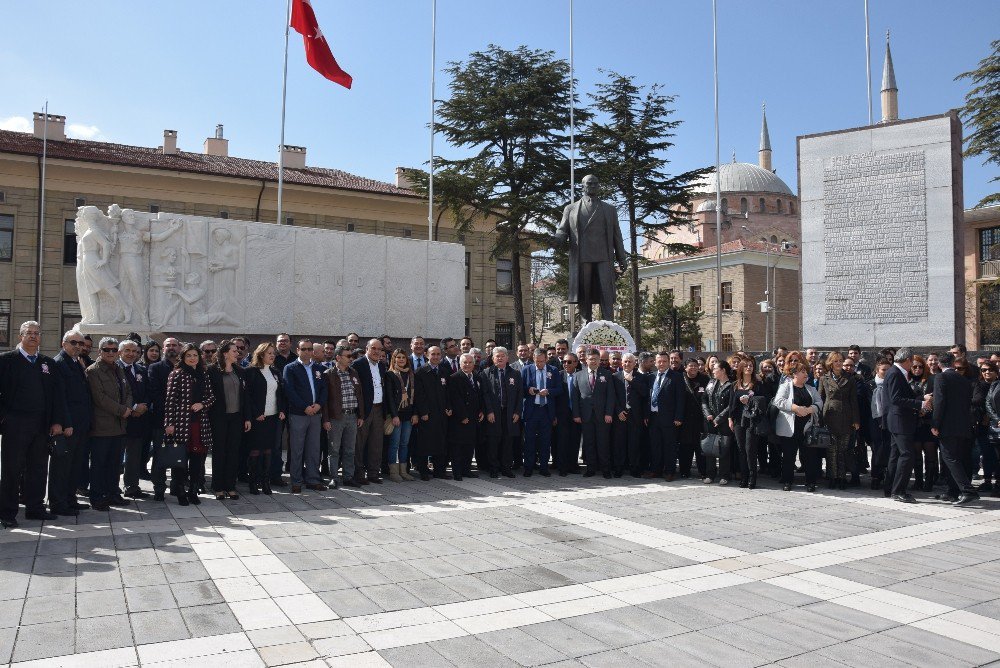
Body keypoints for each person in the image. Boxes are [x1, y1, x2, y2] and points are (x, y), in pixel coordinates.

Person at [0, 322, 65, 527]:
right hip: (15, 425)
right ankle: (7, 513)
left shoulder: (47, 363)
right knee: (12, 470)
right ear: (20, 336)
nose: (33, 336)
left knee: (38, 469)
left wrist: (57, 421)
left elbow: (56, 396)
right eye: (29, 333)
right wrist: (5, 419)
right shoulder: (6, 360)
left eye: (37, 333)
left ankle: (35, 508)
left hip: (41, 426)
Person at [553, 174, 628, 322]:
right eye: (590, 184)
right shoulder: (571, 209)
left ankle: (609, 323)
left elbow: (617, 236)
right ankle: (585, 324)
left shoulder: (609, 209)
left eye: (596, 183)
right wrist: (557, 239)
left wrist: (621, 257)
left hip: (604, 256)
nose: (593, 186)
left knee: (606, 292)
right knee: (584, 292)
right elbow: (562, 229)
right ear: (583, 186)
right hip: (582, 256)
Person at [162, 344, 215, 506]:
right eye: (189, 356)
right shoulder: (176, 374)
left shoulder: (203, 374)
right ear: (183, 358)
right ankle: (180, 492)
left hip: (200, 423)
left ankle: (193, 491)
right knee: (180, 461)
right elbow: (170, 401)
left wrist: (202, 404)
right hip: (181, 423)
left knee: (197, 460)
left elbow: (211, 397)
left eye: (195, 355)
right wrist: (169, 423)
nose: (192, 358)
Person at [85, 337, 133, 511]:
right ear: (100, 351)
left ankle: (113, 493)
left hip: (120, 426)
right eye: (107, 350)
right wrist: (122, 410)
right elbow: (100, 398)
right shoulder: (93, 371)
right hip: (102, 427)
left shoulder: (119, 369)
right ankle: (97, 497)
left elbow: (127, 390)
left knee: (115, 464)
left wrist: (128, 407)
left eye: (114, 350)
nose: (111, 353)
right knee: (99, 464)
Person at [50, 330, 91, 516]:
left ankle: (70, 499)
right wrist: (64, 423)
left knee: (75, 465)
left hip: (81, 424)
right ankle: (58, 503)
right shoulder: (59, 363)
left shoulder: (76, 362)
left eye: (80, 344)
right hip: (68, 425)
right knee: (62, 467)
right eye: (73, 342)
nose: (77, 346)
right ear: (63, 343)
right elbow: (59, 398)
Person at [932, 352, 979, 505]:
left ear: (939, 364)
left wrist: (935, 424)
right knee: (955, 458)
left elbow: (939, 403)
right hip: (963, 425)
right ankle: (952, 491)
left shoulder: (941, 377)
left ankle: (967, 490)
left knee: (949, 458)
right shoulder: (963, 379)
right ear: (953, 364)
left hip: (947, 426)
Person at [283, 338, 329, 493]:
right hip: (298, 414)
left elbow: (324, 390)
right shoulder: (290, 368)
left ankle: (313, 479)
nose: (307, 352)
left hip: (316, 414)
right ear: (298, 350)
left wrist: (318, 405)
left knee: (314, 449)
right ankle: (296, 481)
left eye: (310, 349)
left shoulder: (319, 368)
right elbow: (289, 390)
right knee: (297, 449)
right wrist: (304, 407)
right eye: (304, 349)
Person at [207, 340, 251, 500]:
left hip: (236, 418)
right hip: (219, 418)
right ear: (225, 353)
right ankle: (218, 486)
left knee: (233, 452)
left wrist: (247, 417)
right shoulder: (212, 371)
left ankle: (230, 486)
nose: (237, 353)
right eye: (234, 350)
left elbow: (245, 397)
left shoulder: (240, 371)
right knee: (219, 452)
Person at [883, 348, 927, 503]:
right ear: (907, 360)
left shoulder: (895, 372)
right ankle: (899, 490)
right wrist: (920, 403)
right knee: (907, 455)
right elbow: (896, 399)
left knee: (895, 455)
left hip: (898, 421)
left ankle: (890, 488)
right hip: (900, 421)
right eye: (912, 363)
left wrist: (921, 397)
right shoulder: (895, 373)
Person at [351, 339, 397, 484]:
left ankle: (373, 473)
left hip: (379, 409)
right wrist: (359, 412)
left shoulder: (382, 366)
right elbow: (355, 390)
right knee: (359, 444)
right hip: (364, 410)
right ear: (367, 349)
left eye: (379, 349)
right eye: (374, 348)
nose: (377, 351)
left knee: (376, 443)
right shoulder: (357, 365)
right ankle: (358, 474)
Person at [774, 362, 823, 492]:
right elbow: (778, 401)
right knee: (789, 456)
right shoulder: (785, 386)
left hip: (807, 428)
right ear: (794, 373)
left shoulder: (811, 388)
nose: (806, 374)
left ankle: (810, 482)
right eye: (803, 372)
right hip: (790, 428)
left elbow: (819, 402)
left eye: (806, 372)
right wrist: (795, 408)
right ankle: (787, 481)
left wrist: (809, 410)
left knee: (809, 456)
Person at [245, 343, 286, 495]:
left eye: (273, 353)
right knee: (256, 451)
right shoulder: (251, 372)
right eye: (269, 353)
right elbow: (247, 396)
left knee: (269, 450)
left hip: (273, 416)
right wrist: (256, 413)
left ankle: (265, 482)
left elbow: (280, 393)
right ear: (261, 354)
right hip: (258, 418)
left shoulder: (275, 371)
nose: (272, 355)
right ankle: (253, 482)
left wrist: (281, 410)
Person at [322, 345, 364, 488]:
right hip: (336, 418)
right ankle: (334, 477)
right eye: (348, 356)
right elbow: (325, 400)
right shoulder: (329, 374)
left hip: (352, 416)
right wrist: (326, 419)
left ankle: (348, 477)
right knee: (334, 449)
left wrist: (361, 415)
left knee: (350, 449)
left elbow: (359, 395)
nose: (351, 359)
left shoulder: (354, 373)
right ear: (338, 357)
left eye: (351, 356)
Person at [818, 351, 860, 491]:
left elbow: (854, 401)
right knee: (831, 450)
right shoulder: (824, 378)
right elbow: (820, 398)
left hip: (846, 417)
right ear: (830, 362)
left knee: (843, 450)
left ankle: (841, 477)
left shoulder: (850, 378)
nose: (838, 363)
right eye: (835, 361)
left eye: (840, 360)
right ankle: (832, 477)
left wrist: (856, 420)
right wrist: (819, 418)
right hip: (829, 416)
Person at [572, 348, 616, 478]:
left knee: (603, 442)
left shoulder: (606, 374)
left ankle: (605, 469)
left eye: (596, 359)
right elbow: (575, 397)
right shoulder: (578, 375)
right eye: (591, 359)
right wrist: (576, 414)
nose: (594, 361)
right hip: (586, 416)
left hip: (603, 415)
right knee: (589, 443)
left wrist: (609, 413)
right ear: (586, 360)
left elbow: (611, 396)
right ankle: (590, 468)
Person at [447, 353, 490, 479]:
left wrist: (482, 410)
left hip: (474, 417)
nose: (467, 365)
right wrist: (462, 416)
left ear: (473, 364)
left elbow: (480, 395)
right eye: (465, 362)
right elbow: (456, 399)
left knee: (469, 446)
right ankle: (457, 472)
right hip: (460, 419)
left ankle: (466, 470)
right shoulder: (454, 378)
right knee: (458, 446)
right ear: (460, 364)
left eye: (470, 362)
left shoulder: (476, 377)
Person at [482, 346, 523, 478]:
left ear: (507, 358)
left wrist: (517, 411)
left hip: (509, 413)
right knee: (493, 441)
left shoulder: (515, 373)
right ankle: (494, 468)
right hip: (494, 413)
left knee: (507, 441)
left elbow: (519, 394)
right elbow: (485, 394)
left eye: (502, 356)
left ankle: (506, 467)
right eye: (497, 356)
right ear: (493, 358)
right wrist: (489, 411)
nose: (500, 358)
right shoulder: (486, 373)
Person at [118, 340, 151, 500]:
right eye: (127, 350)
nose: (131, 354)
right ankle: (111, 487)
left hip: (139, 420)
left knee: (134, 456)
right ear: (120, 352)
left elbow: (148, 390)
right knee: (115, 455)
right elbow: (115, 394)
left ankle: (132, 486)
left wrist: (144, 406)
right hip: (119, 418)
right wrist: (134, 407)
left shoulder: (141, 370)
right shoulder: (114, 368)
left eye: (134, 351)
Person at [522, 348, 562, 477]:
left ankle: (544, 467)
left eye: (542, 361)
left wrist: (549, 391)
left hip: (546, 410)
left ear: (546, 359)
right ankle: (528, 467)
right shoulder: (526, 369)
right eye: (537, 361)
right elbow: (520, 388)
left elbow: (559, 389)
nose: (540, 364)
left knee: (545, 441)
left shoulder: (553, 370)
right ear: (533, 358)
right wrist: (529, 389)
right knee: (529, 440)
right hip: (532, 410)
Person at [413, 345, 451, 480]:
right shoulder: (420, 372)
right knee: (425, 443)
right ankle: (423, 470)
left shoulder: (445, 371)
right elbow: (419, 395)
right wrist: (423, 411)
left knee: (441, 442)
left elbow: (448, 393)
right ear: (426, 355)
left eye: (438, 354)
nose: (435, 357)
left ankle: (439, 470)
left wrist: (449, 407)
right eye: (432, 354)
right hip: (427, 414)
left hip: (442, 413)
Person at [646, 351, 685, 480]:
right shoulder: (651, 376)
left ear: (668, 362)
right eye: (659, 361)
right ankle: (656, 470)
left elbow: (680, 398)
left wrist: (678, 417)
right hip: (653, 416)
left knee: (669, 446)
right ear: (655, 363)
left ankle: (669, 471)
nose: (661, 363)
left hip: (669, 418)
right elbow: (647, 397)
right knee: (655, 445)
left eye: (664, 361)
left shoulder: (676, 377)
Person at [612, 353, 648, 478]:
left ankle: (634, 467)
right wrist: (618, 411)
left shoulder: (640, 377)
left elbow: (644, 393)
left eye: (630, 362)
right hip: (620, 414)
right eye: (625, 361)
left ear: (635, 363)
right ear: (622, 363)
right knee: (619, 443)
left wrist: (632, 381)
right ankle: (619, 468)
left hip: (635, 415)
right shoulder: (615, 376)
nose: (627, 364)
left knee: (634, 443)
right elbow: (613, 396)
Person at [729, 355, 760, 489]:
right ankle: (744, 476)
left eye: (751, 366)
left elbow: (763, 400)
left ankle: (753, 478)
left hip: (752, 421)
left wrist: (750, 401)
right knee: (741, 450)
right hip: (738, 421)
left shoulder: (758, 384)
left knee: (750, 450)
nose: (748, 368)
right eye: (746, 366)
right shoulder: (735, 385)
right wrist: (730, 419)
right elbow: (731, 405)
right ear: (741, 369)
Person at [702, 359, 734, 485]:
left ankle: (725, 475)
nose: (713, 371)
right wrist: (708, 413)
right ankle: (710, 474)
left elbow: (731, 405)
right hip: (710, 421)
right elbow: (704, 399)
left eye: (715, 369)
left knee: (724, 449)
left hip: (724, 422)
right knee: (709, 448)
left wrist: (719, 418)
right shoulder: (711, 382)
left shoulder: (732, 385)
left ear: (723, 370)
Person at [386, 348, 416, 482]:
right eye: (398, 357)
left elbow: (416, 396)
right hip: (396, 415)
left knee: (405, 444)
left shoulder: (411, 374)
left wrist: (415, 413)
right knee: (394, 443)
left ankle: (403, 471)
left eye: (403, 357)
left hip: (408, 415)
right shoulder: (390, 375)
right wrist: (394, 415)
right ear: (394, 359)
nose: (401, 360)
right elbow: (390, 397)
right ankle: (393, 472)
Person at [908, 355, 937, 492]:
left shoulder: (931, 380)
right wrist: (920, 402)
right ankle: (918, 481)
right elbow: (906, 400)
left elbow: (935, 398)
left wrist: (925, 409)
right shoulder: (907, 381)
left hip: (928, 421)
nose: (918, 369)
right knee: (916, 455)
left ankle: (929, 482)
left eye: (920, 366)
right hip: (913, 421)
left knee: (930, 454)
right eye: (914, 367)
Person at [678, 358, 708, 480]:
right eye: (690, 366)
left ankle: (703, 471)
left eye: (695, 365)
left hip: (700, 419)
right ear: (685, 367)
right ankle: (685, 471)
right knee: (685, 447)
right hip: (684, 419)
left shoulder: (705, 379)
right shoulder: (680, 379)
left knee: (700, 447)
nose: (694, 368)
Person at [555, 352, 582, 475]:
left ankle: (573, 465)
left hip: (577, 414)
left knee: (575, 440)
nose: (566, 364)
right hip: (561, 414)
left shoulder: (581, 376)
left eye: (569, 362)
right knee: (562, 441)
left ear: (576, 363)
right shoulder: (558, 376)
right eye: (564, 362)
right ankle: (562, 467)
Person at [868, 358, 892, 490]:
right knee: (876, 449)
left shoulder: (892, 384)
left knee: (889, 448)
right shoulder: (870, 385)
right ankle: (876, 476)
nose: (886, 372)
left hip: (890, 421)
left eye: (889, 369)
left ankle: (888, 475)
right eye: (884, 370)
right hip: (873, 421)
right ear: (877, 370)